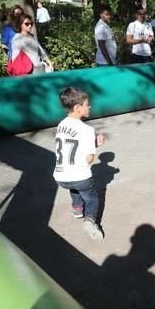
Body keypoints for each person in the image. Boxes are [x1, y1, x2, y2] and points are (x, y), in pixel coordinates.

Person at [53, 87, 105, 240]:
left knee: (72, 183)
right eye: (87, 105)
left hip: (60, 176)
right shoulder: (87, 130)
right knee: (92, 197)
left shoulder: (61, 125)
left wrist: (93, 143)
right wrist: (93, 146)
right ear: (77, 108)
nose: (89, 107)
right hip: (80, 178)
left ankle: (77, 208)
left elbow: (71, 145)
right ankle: (89, 220)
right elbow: (88, 159)